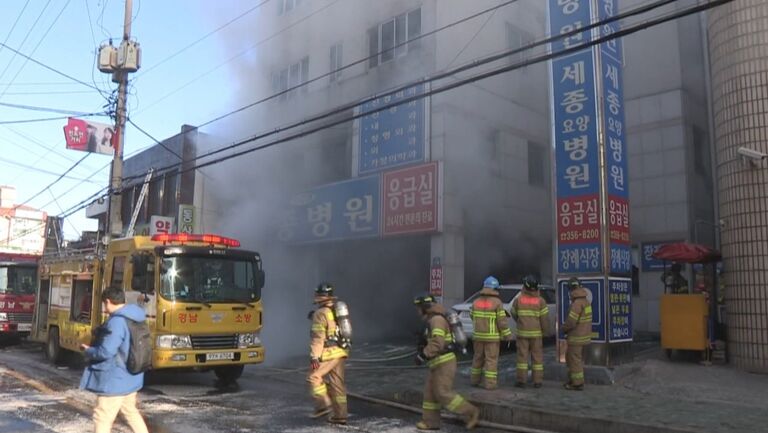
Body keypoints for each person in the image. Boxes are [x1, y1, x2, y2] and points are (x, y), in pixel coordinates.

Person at [79, 287, 149, 433]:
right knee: (131, 412)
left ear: (108, 302)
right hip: (132, 376)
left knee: (102, 417)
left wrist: (88, 350)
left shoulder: (117, 322)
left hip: (115, 379)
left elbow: (106, 351)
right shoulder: (137, 317)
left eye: (105, 304)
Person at [413, 294, 479, 431]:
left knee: (442, 393)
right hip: (436, 362)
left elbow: (438, 342)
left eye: (418, 307)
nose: (417, 311)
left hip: (444, 362)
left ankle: (471, 412)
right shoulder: (432, 319)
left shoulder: (436, 320)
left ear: (425, 307)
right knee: (430, 394)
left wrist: (423, 355)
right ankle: (431, 422)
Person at [306, 282, 348, 425]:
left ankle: (322, 405)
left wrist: (314, 357)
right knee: (337, 385)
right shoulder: (335, 310)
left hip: (328, 352)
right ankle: (340, 415)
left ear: (319, 296)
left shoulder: (320, 313)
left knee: (314, 377)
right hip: (340, 351)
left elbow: (318, 337)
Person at [469, 276, 512, 390]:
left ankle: (474, 380)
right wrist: (507, 335)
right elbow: (502, 321)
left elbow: (472, 315)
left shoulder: (476, 301)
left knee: (477, 358)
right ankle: (490, 384)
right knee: (491, 360)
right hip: (492, 338)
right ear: (495, 288)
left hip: (478, 336)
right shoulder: (497, 302)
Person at [510, 275, 549, 388]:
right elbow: (544, 319)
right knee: (537, 358)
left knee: (522, 358)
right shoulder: (541, 301)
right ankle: (537, 381)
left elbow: (513, 313)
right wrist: (545, 332)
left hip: (522, 333)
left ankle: (521, 380)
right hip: (536, 335)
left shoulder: (519, 300)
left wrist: (520, 321)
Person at [562, 277, 592, 391]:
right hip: (584, 336)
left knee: (574, 361)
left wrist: (563, 328)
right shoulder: (586, 302)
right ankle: (574, 381)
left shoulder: (577, 304)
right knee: (576, 360)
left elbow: (571, 322)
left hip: (576, 337)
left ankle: (577, 383)